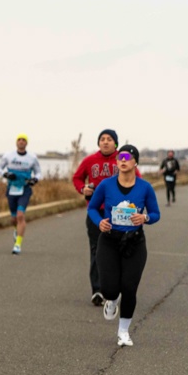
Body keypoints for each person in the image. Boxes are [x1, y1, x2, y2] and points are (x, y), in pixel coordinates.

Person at [88, 144, 160, 347]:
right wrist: (99, 222)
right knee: (109, 289)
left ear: (135, 162)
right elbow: (92, 208)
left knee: (129, 287)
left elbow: (156, 214)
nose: (122, 160)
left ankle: (123, 332)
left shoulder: (145, 187)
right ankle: (111, 300)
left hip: (134, 242)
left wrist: (145, 217)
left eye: (127, 157)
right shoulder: (106, 185)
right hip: (109, 241)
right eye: (120, 157)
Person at [73, 129, 121, 306]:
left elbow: (137, 180)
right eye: (102, 139)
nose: (105, 142)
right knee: (96, 250)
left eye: (109, 139)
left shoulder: (123, 159)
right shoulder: (89, 160)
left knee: (117, 250)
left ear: (115, 143)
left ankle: (114, 287)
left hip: (118, 213)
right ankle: (98, 290)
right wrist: (83, 189)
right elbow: (77, 178)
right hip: (96, 212)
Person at [0, 134, 41, 254]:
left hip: (25, 189)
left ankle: (17, 245)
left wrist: (34, 180)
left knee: (20, 215)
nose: (21, 142)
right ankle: (16, 229)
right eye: (19, 140)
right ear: (16, 142)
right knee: (13, 218)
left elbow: (38, 173)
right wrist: (5, 174)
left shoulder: (32, 157)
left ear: (27, 143)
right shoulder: (8, 156)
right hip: (12, 189)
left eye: (24, 140)